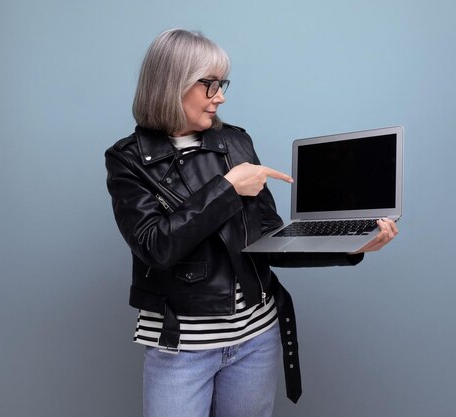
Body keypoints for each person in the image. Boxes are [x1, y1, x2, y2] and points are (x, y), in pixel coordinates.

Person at [105, 28, 398, 417]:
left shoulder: (236, 142)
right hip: (182, 347)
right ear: (170, 83)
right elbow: (156, 247)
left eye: (222, 83)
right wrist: (228, 188)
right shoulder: (128, 159)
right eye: (208, 84)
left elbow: (268, 239)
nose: (220, 96)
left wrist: (351, 247)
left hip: (256, 340)